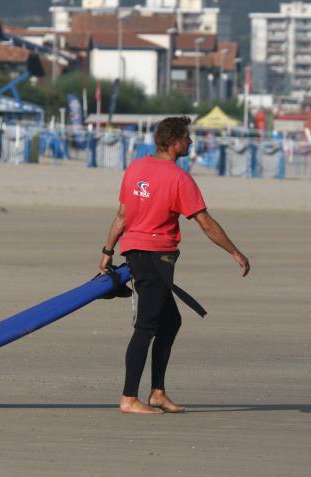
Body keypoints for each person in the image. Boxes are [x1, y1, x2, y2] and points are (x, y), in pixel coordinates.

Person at [99, 116, 250, 414]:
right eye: (187, 138)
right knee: (146, 326)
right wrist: (235, 252)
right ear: (174, 141)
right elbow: (205, 223)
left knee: (170, 321)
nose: (191, 142)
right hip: (154, 258)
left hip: (136, 253)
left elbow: (122, 214)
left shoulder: (136, 168)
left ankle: (157, 393)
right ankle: (129, 397)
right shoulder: (179, 178)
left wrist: (108, 249)